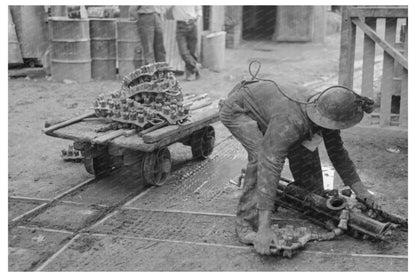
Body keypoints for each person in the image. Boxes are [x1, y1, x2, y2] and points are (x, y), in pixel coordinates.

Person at [219, 76, 379, 255]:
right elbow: (270, 164)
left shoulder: (325, 108)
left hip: (274, 110)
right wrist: (265, 227)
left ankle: (301, 197)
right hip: (239, 110)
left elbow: (337, 153)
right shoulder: (291, 119)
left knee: (312, 184)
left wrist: (362, 192)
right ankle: (245, 224)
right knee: (260, 156)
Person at [168, 5, 202, 81]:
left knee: (192, 51)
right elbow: (167, 11)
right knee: (183, 52)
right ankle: (196, 65)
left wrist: (197, 17)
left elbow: (198, 9)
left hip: (192, 24)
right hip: (181, 25)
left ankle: (191, 74)